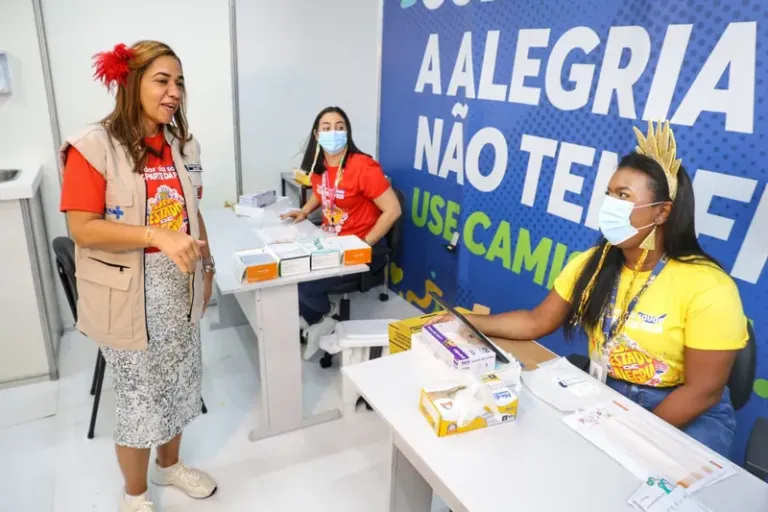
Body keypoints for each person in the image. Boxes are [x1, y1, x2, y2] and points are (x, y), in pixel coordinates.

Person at [431, 121, 747, 458]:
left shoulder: (709, 286)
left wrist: (628, 439)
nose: (610, 204)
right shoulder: (594, 263)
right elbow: (538, 321)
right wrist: (466, 321)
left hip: (685, 412)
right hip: (605, 392)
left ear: (661, 212)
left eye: (624, 196)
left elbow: (704, 391)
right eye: (610, 194)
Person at [59, 41, 217, 511]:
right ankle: (135, 495)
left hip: (179, 285)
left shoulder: (182, 145)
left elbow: (192, 211)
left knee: (182, 383)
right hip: (127, 293)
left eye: (180, 82)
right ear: (130, 83)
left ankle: (169, 468)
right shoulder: (93, 147)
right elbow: (82, 229)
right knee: (139, 402)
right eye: (162, 81)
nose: (174, 93)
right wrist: (157, 235)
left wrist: (205, 267)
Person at [281, 106, 402, 359]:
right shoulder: (319, 165)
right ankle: (316, 318)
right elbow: (321, 190)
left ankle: (328, 315)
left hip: (364, 248)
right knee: (289, 270)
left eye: (340, 127)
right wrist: (304, 211)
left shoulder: (363, 167)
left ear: (347, 132)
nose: (333, 132)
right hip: (331, 241)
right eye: (326, 128)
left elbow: (393, 210)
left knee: (303, 282)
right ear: (316, 135)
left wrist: (364, 245)